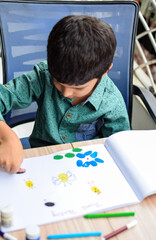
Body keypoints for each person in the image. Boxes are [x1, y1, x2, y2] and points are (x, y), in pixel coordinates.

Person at [0, 15, 130, 174]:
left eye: (79, 88)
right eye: (58, 83)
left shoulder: (112, 102)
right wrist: (7, 137)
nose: (66, 93)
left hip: (86, 166)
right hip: (41, 156)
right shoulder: (43, 76)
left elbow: (120, 149)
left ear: (105, 71)